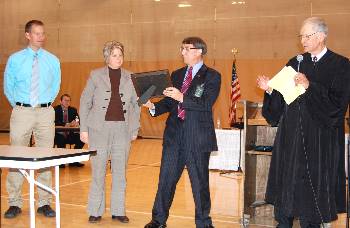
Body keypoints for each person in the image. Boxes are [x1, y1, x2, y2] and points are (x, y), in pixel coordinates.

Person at [257, 17, 350, 227]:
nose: (303, 41)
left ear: (321, 36)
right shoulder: (295, 61)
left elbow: (338, 104)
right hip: (291, 136)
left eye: (307, 36)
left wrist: (310, 87)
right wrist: (271, 90)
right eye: (301, 36)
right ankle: (284, 221)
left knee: (311, 190)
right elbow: (281, 99)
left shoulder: (340, 64)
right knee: (287, 185)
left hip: (319, 139)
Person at [143, 37, 221, 228]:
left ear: (199, 51)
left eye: (187, 49)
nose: (183, 52)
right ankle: (158, 220)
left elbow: (205, 104)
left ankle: (204, 223)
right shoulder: (177, 74)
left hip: (197, 137)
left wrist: (181, 97)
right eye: (182, 48)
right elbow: (170, 102)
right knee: (166, 181)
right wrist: (152, 107)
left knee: (199, 183)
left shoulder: (212, 75)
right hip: (174, 136)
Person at [3, 20, 61, 218]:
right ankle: (14, 202)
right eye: (36, 33)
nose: (41, 37)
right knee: (16, 156)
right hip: (21, 111)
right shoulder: (15, 59)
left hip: (45, 111)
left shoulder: (53, 60)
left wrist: (44, 105)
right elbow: (8, 87)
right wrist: (21, 106)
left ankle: (44, 202)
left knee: (45, 156)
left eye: (43, 33)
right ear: (27, 35)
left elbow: (55, 86)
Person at [79, 41, 140, 223]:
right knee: (98, 171)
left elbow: (135, 106)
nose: (118, 58)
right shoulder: (95, 75)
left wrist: (134, 128)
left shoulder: (131, 77)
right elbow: (85, 102)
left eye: (120, 55)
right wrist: (84, 129)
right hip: (98, 129)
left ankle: (118, 210)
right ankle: (96, 210)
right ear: (107, 57)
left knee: (120, 171)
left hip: (122, 129)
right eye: (114, 55)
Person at [54, 93, 85, 168]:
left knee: (81, 139)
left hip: (69, 134)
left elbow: (77, 120)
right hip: (58, 134)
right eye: (65, 100)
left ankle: (73, 160)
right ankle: (61, 162)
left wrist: (76, 123)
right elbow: (54, 121)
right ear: (60, 101)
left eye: (69, 100)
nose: (67, 102)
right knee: (60, 139)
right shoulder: (55, 109)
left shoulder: (73, 110)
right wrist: (66, 124)